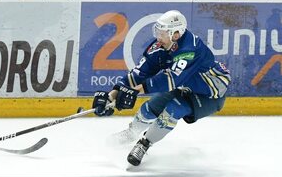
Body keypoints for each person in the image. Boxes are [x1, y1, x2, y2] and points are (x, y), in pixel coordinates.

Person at [92, 10, 231, 166]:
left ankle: (144, 144)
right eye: (157, 31)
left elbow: (170, 80)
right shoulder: (161, 45)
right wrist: (112, 94)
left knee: (173, 109)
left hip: (210, 95)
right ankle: (131, 133)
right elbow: (140, 73)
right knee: (150, 107)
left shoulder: (190, 49)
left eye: (162, 33)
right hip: (185, 87)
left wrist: (134, 92)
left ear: (176, 34)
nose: (158, 37)